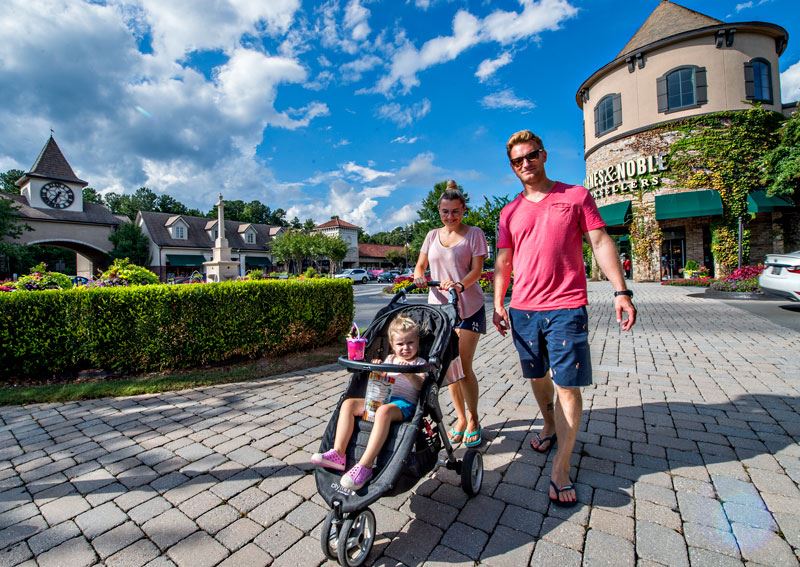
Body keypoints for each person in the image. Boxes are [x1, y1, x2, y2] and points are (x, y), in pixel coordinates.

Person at [493, 130, 636, 507]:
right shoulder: (509, 212)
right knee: (536, 377)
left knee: (567, 386)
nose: (526, 163)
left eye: (531, 155)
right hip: (523, 308)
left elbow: (601, 241)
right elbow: (504, 262)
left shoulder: (575, 196)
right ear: (512, 167)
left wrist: (621, 291)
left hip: (566, 306)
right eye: (518, 160)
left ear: (544, 155)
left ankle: (561, 466)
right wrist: (498, 303)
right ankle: (550, 424)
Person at [311, 314, 426, 490]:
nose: (405, 348)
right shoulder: (390, 360)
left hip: (404, 404)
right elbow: (381, 384)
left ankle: (365, 466)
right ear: (392, 344)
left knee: (383, 411)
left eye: (410, 343)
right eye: (400, 344)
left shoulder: (420, 363)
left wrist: (410, 373)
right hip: (385, 399)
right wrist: (378, 370)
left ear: (417, 342)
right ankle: (339, 453)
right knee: (348, 404)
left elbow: (420, 385)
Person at [414, 180, 488, 448]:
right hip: (440, 310)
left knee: (463, 366)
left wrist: (459, 284)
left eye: (455, 211)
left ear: (463, 209)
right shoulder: (432, 235)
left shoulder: (474, 233)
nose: (450, 217)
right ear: (439, 211)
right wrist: (420, 276)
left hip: (468, 307)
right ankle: (459, 417)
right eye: (445, 212)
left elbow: (477, 271)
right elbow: (420, 265)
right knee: (448, 367)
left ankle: (474, 419)